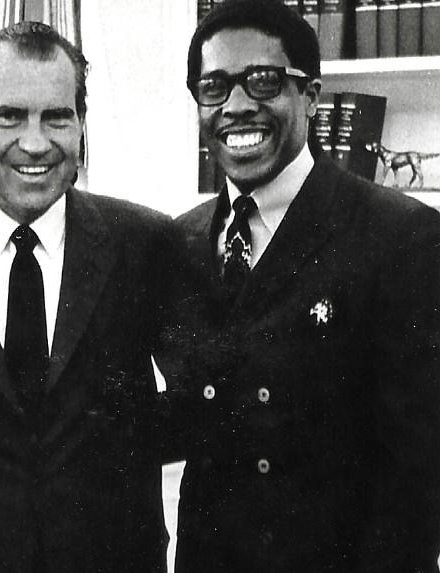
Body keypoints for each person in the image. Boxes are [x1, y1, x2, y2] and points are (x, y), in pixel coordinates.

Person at [174, 0, 440, 571]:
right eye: (214, 87)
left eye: (263, 81)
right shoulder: (182, 241)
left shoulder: (400, 235)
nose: (236, 106)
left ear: (311, 96)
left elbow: (417, 476)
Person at [0, 21, 186, 573]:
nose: (35, 142)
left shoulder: (146, 244)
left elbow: (202, 402)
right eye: (9, 116)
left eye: (56, 117)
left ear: (80, 126)